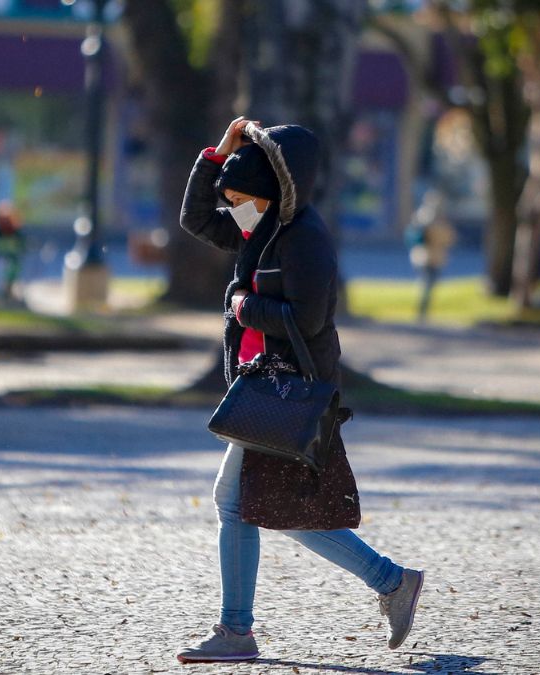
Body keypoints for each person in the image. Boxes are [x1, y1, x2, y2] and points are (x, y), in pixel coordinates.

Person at [174, 117, 424, 664]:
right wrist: (218, 155)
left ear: (269, 192)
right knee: (262, 507)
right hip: (261, 387)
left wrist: (244, 306)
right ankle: (392, 582)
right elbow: (194, 218)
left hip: (287, 392)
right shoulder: (258, 226)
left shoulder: (304, 239)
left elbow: (308, 320)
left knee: (242, 505)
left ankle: (238, 632)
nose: (232, 204)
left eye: (240, 195)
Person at [405, 189, 457, 322]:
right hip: (428, 256)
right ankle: (422, 312)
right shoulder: (432, 218)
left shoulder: (422, 216)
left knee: (428, 284)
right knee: (427, 284)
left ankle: (423, 311)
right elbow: (446, 237)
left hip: (426, 256)